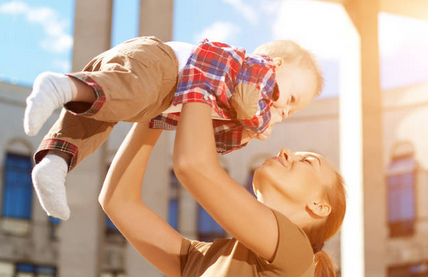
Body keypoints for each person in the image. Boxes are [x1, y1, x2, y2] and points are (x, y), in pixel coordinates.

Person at [99, 101, 347, 277]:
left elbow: (192, 165)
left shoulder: (296, 253)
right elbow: (118, 201)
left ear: (319, 206)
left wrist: (194, 88)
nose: (286, 152)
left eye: (307, 161)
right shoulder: (205, 259)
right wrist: (155, 109)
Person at [23, 36, 322, 221]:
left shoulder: (236, 105)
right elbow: (251, 97)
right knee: (130, 92)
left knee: (97, 123)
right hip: (165, 66)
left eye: (291, 112)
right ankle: (62, 85)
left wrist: (245, 133)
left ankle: (55, 163)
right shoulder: (259, 69)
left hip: (159, 98)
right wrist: (256, 121)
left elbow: (211, 141)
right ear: (277, 64)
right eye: (291, 99)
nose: (284, 110)